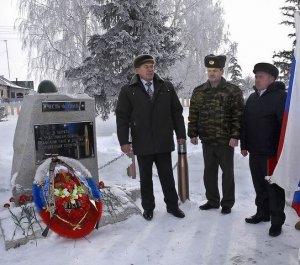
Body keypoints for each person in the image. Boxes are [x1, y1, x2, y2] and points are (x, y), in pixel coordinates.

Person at [116, 54, 186, 221]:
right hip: (143, 142)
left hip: (163, 140)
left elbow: (176, 112)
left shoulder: (166, 87)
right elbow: (122, 117)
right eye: (146, 66)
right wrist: (124, 141)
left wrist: (181, 134)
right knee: (146, 179)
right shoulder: (128, 91)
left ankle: (173, 206)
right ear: (137, 70)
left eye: (151, 65)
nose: (150, 69)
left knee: (167, 176)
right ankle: (148, 208)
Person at [188, 54, 244, 215]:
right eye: (209, 70)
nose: (212, 73)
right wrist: (193, 133)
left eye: (215, 70)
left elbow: (238, 115)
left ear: (222, 70)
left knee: (227, 173)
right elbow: (193, 114)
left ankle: (227, 203)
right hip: (207, 140)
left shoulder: (232, 91)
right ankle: (212, 201)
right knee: (209, 173)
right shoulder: (199, 91)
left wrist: (235, 136)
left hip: (225, 141)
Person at [241, 62, 286, 237]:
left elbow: (285, 126)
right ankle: (262, 213)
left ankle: (277, 221)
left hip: (271, 153)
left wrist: (282, 151)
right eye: (256, 76)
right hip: (255, 151)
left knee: (273, 189)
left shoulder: (281, 97)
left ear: (272, 78)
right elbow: (245, 123)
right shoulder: (252, 98)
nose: (257, 79)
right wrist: (244, 145)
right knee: (259, 185)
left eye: (261, 76)